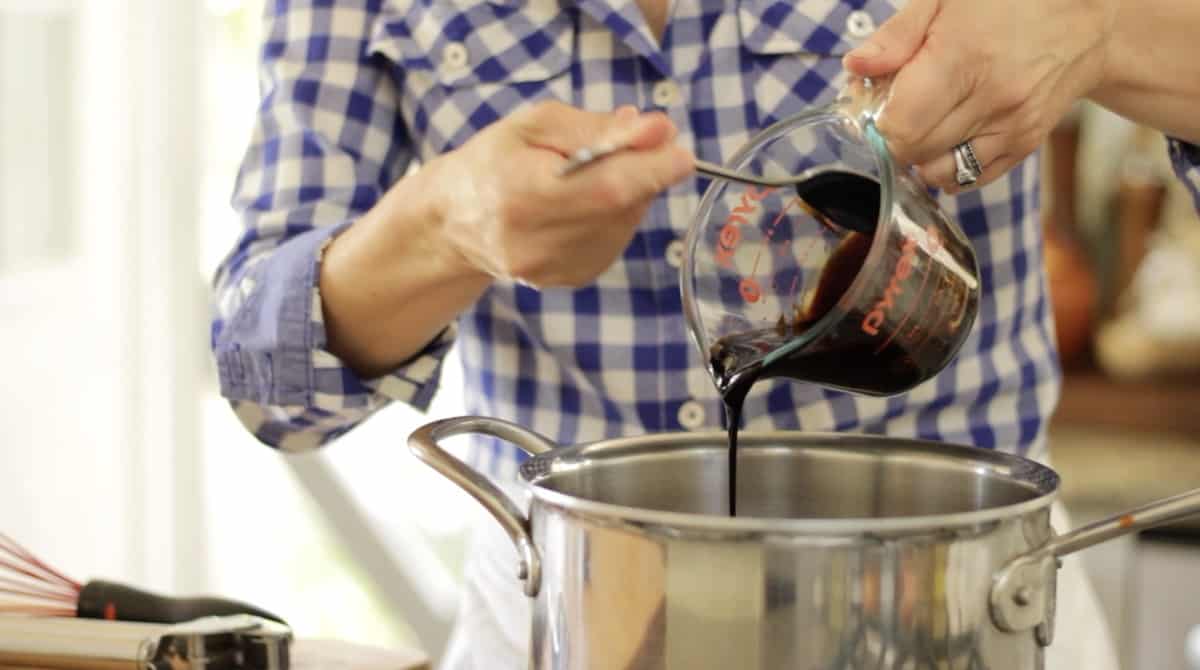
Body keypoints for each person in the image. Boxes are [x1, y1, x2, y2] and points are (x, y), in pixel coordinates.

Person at [210, 0, 1200, 667]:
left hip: (964, 606)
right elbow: (266, 375)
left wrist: (1102, 30)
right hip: (568, 610)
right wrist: (441, 226)